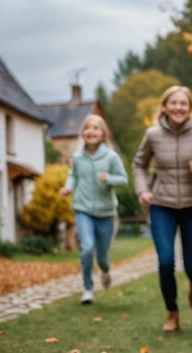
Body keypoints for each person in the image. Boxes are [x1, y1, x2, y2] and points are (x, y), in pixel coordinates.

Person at [132, 86, 192, 332]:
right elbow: (139, 164)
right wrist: (143, 190)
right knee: (165, 261)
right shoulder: (152, 135)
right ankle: (172, 312)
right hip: (162, 205)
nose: (178, 107)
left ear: (190, 108)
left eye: (183, 103)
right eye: (173, 103)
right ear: (164, 107)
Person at [61, 114, 128, 305]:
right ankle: (88, 289)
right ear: (83, 133)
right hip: (82, 209)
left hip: (106, 213)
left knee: (102, 257)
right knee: (86, 248)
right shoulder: (77, 157)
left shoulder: (111, 157)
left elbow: (123, 178)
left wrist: (108, 178)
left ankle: (105, 270)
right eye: (87, 128)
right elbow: (73, 176)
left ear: (103, 133)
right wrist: (68, 187)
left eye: (95, 128)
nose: (91, 131)